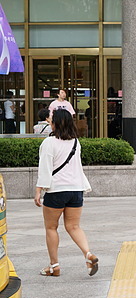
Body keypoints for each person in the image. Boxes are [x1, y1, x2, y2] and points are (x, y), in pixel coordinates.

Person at [34, 109, 98, 278]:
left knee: (51, 227)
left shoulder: (49, 143)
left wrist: (39, 190)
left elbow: (45, 168)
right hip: (76, 189)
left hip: (57, 190)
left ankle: (54, 266)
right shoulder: (76, 142)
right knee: (74, 226)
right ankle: (88, 254)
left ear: (55, 123)